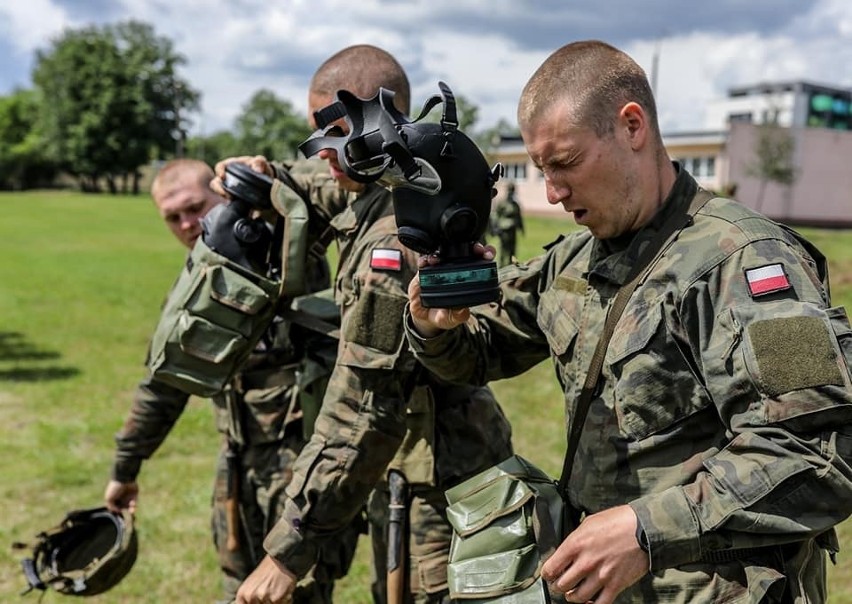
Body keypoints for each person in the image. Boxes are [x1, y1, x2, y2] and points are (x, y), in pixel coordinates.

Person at [404, 40, 852, 603]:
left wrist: (647, 529)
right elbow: (477, 355)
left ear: (632, 127)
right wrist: (436, 324)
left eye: (565, 162)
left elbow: (822, 451)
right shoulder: (572, 259)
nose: (552, 191)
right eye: (541, 169)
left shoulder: (745, 260)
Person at [227, 44, 513, 604]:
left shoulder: (396, 240)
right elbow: (315, 182)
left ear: (377, 126)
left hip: (441, 486)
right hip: (407, 469)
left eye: (332, 134)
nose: (320, 153)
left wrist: (288, 551)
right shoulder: (390, 189)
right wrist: (263, 175)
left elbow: (362, 405)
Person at [104, 158, 358, 603]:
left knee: (298, 591)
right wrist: (126, 469)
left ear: (222, 194)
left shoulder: (289, 253)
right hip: (237, 462)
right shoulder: (198, 282)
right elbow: (166, 383)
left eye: (194, 207)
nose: (187, 223)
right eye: (173, 217)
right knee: (236, 588)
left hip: (299, 464)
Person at [490, 182, 524, 266]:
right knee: (503, 250)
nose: (511, 193)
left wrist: (521, 228)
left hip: (513, 230)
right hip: (504, 230)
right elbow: (495, 215)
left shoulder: (515, 205)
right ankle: (501, 266)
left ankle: (511, 265)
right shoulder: (502, 203)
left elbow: (519, 217)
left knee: (512, 250)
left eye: (512, 191)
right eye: (510, 190)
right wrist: (495, 228)